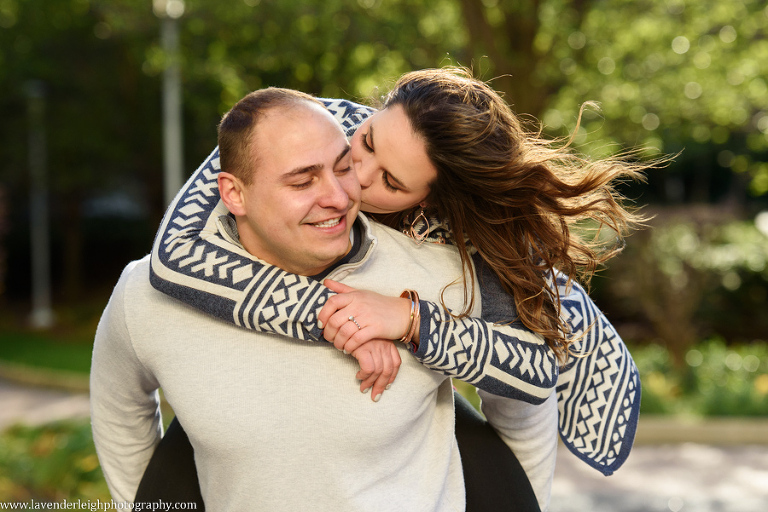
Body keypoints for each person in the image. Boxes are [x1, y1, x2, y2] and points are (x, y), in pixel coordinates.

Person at [145, 69, 645, 509]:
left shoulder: (464, 252)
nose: (352, 181)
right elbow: (175, 256)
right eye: (366, 143)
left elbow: (531, 386)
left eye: (389, 180)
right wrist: (337, 318)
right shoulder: (312, 127)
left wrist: (411, 320)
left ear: (432, 202)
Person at [91, 88, 546, 512]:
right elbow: (118, 410)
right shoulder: (147, 297)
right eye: (302, 181)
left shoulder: (445, 276)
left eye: (342, 167)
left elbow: (529, 396)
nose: (343, 194)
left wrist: (414, 321)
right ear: (234, 193)